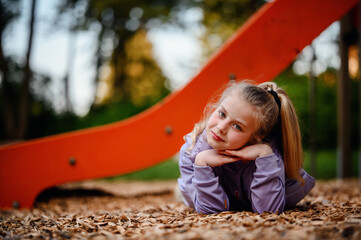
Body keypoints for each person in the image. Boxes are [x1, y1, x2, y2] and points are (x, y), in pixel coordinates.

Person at [177, 80, 315, 214]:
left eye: (237, 126)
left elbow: (269, 211)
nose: (221, 128)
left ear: (257, 137)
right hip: (201, 189)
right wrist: (201, 163)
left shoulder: (270, 156)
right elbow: (211, 211)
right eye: (222, 114)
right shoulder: (191, 151)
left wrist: (264, 153)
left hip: (256, 187)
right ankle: (180, 190)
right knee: (186, 193)